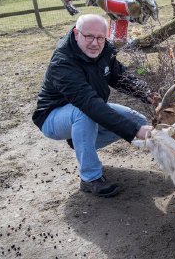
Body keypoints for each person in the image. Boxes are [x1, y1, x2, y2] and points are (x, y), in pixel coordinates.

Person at [32, 14, 154, 198]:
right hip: (53, 117)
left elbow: (119, 76)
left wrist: (147, 93)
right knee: (86, 114)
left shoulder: (104, 51)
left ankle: (80, 141)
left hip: (86, 109)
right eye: (89, 36)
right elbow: (88, 103)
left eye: (100, 38)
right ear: (76, 34)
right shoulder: (63, 62)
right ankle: (90, 178)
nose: (95, 43)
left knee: (137, 119)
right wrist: (134, 131)